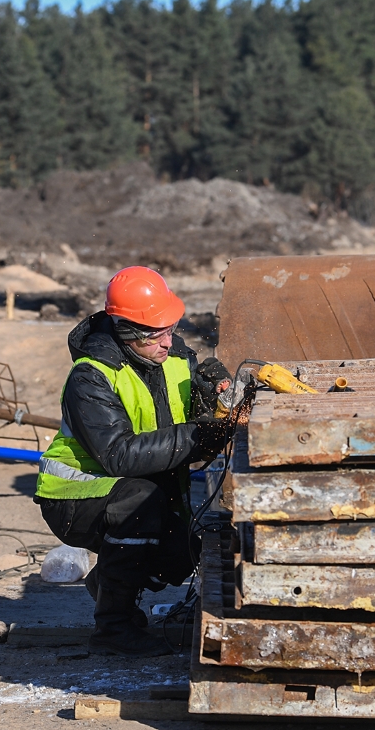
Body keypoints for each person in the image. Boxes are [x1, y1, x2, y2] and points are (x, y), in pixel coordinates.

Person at [35, 266, 234, 657]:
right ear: (127, 332)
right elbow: (119, 454)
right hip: (74, 496)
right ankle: (114, 629)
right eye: (156, 334)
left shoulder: (173, 357)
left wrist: (210, 394)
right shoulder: (90, 378)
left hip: (134, 490)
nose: (168, 342)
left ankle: (107, 583)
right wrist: (198, 435)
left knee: (181, 557)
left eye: (170, 329)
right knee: (139, 505)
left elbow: (188, 418)